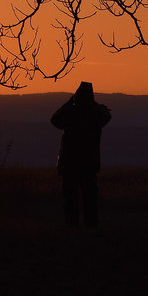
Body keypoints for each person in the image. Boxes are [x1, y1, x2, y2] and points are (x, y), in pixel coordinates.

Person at [51, 81, 112, 228]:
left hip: (70, 163)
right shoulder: (95, 115)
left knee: (70, 197)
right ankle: (91, 226)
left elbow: (54, 119)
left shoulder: (70, 113)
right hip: (89, 163)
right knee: (90, 197)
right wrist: (94, 104)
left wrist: (68, 103)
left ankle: (72, 225)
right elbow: (107, 116)